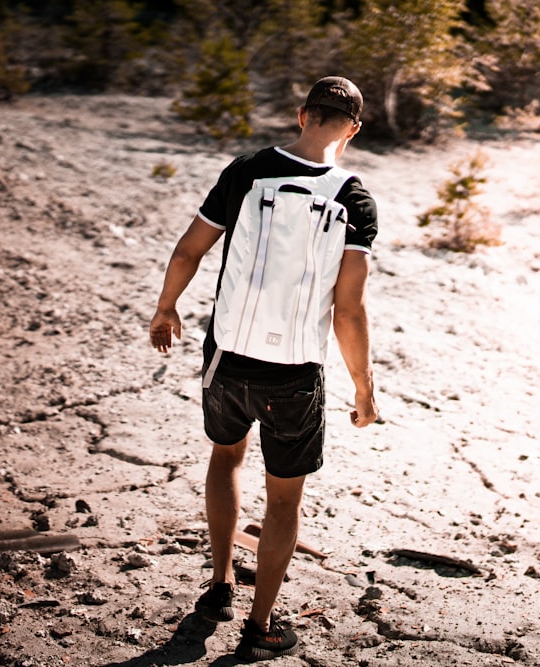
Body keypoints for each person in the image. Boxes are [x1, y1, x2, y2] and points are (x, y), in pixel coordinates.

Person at [149, 76, 379, 662]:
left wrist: (165, 306)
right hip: (295, 373)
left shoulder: (245, 171)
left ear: (302, 115)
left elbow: (189, 249)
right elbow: (348, 309)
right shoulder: (354, 199)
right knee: (284, 500)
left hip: (227, 354)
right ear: (352, 128)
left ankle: (220, 586)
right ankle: (260, 627)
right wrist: (363, 387)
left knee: (226, 458)